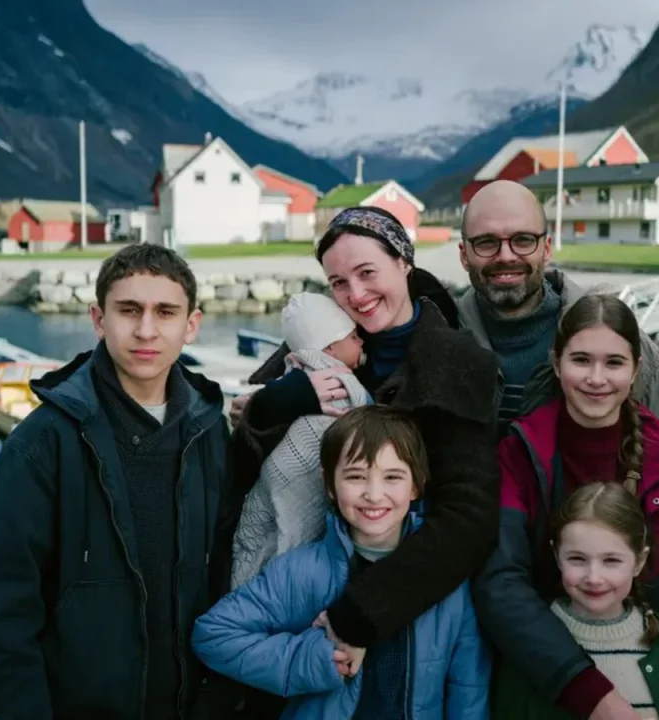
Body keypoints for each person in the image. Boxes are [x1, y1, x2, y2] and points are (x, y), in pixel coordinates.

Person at [228, 206, 501, 715]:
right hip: (294, 587)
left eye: (367, 272)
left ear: (404, 262)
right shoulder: (315, 349)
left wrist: (362, 612)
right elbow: (246, 471)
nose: (355, 294)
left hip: (403, 602)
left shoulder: (456, 365)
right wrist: (276, 403)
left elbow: (470, 516)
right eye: (338, 282)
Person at [455, 180, 659, 618]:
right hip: (482, 597)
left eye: (522, 239)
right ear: (464, 253)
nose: (506, 255)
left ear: (546, 247)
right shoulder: (443, 346)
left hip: (604, 599)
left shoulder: (614, 347)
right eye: (486, 242)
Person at [0, 244, 235, 719]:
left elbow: (224, 578)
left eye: (165, 312)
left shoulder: (210, 429)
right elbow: (2, 616)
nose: (146, 330)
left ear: (191, 325)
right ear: (98, 318)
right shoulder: (40, 444)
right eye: (128, 310)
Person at [474, 293, 659, 720]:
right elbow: (499, 582)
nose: (596, 378)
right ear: (556, 364)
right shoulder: (519, 455)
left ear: (635, 369)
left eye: (613, 363)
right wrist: (587, 689)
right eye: (581, 360)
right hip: (545, 680)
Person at [194, 406, 491, 719]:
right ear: (329, 485)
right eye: (356, 476)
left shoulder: (444, 577)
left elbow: (467, 684)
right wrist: (311, 657)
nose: (374, 495)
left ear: (417, 484)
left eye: (392, 477)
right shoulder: (302, 572)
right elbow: (214, 635)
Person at [496, 482, 659, 720]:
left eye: (611, 561)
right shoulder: (527, 645)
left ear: (640, 561)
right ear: (557, 556)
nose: (594, 578)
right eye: (577, 559)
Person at [230, 291, 372, 590]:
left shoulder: (285, 379)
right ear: (330, 348)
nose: (361, 341)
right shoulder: (339, 382)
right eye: (353, 336)